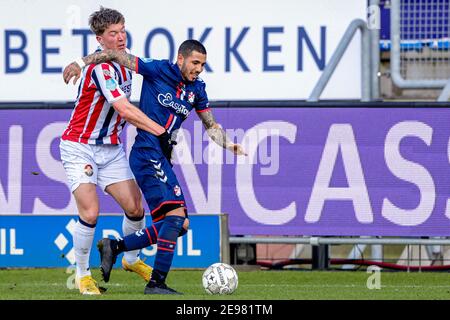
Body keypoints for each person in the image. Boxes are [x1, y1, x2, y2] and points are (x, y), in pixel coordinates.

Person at [63, 39, 246, 294]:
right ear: (180, 59)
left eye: (203, 64)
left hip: (162, 156)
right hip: (147, 152)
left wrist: (229, 144)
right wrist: (81, 62)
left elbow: (210, 126)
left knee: (178, 226)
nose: (199, 69)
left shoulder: (197, 90)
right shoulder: (158, 69)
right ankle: (156, 283)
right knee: (175, 218)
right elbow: (116, 56)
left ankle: (115, 247)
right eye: (195, 63)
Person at [60, 7, 174, 295]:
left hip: (111, 148)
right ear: (100, 39)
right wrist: (160, 131)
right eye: (114, 33)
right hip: (80, 146)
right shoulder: (101, 69)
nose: (121, 37)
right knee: (91, 212)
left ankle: (131, 260)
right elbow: (123, 108)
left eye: (123, 30)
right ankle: (83, 275)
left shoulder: (126, 62)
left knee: (135, 207)